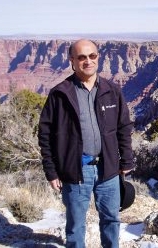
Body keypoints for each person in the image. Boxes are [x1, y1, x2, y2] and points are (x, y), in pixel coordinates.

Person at [38, 39, 134, 248]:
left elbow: (123, 127)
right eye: (81, 57)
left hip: (108, 169)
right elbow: (45, 134)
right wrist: (51, 171)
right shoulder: (60, 94)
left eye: (92, 56)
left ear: (99, 57)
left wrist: (126, 160)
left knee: (111, 220)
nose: (87, 61)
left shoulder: (112, 90)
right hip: (75, 170)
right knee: (75, 225)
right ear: (72, 60)